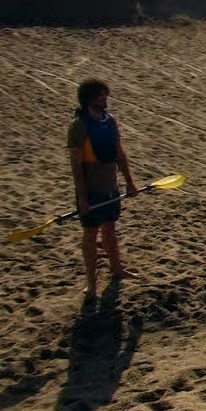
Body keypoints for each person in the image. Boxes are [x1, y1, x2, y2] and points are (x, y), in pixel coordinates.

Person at [66, 78, 139, 297]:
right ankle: (91, 284)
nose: (105, 100)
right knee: (90, 236)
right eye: (101, 96)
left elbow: (119, 152)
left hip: (110, 187)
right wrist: (82, 198)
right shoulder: (78, 126)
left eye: (105, 95)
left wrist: (129, 181)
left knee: (110, 231)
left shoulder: (110, 121)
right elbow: (76, 165)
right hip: (91, 190)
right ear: (90, 99)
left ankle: (117, 270)